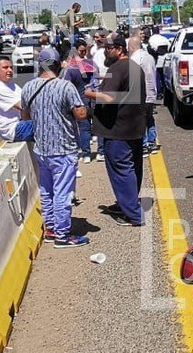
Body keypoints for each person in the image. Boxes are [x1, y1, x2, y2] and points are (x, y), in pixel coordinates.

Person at [22, 48, 90, 248]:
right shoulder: (66, 87)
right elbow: (80, 115)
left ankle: (50, 228)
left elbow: (25, 117)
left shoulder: (28, 87)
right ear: (59, 65)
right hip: (63, 149)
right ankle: (62, 235)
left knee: (47, 191)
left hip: (41, 149)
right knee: (63, 193)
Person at [88, 33, 147, 227]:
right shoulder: (134, 68)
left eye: (109, 48)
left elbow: (109, 97)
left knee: (122, 171)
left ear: (120, 49)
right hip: (135, 127)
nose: (106, 51)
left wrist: (90, 93)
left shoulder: (116, 69)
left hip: (117, 130)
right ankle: (127, 205)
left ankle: (133, 214)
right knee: (132, 170)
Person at [0, 57, 33, 142]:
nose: (10, 70)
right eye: (5, 68)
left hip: (23, 123)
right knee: (50, 123)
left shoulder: (12, 85)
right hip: (15, 130)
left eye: (11, 67)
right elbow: (25, 106)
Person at [62, 42, 97, 161]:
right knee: (95, 126)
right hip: (92, 98)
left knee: (83, 128)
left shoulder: (71, 69)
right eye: (82, 51)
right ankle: (100, 152)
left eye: (84, 51)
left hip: (80, 101)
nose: (83, 53)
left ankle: (86, 153)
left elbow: (66, 86)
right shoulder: (90, 64)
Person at [129, 35, 159, 155]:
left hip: (140, 93)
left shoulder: (135, 59)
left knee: (140, 119)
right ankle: (152, 142)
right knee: (149, 118)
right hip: (151, 92)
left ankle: (144, 144)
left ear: (132, 46)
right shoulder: (149, 57)